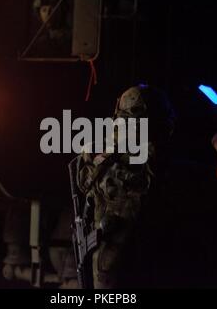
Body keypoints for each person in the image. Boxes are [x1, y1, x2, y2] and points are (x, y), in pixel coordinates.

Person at [76, 85, 176, 288]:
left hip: (110, 271)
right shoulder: (164, 168)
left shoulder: (99, 161)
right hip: (149, 268)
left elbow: (83, 182)